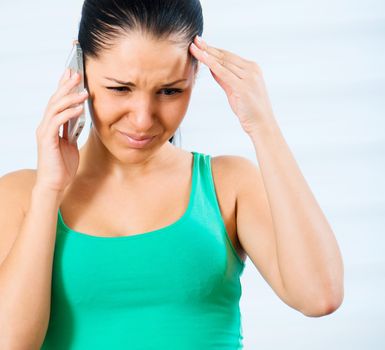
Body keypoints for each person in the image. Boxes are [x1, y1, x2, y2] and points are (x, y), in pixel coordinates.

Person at [0, 0, 344, 349]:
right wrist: (48, 189)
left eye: (169, 91)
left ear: (196, 75)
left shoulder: (228, 185)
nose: (143, 119)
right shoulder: (21, 196)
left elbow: (319, 296)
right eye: (120, 88)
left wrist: (263, 126)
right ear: (79, 70)